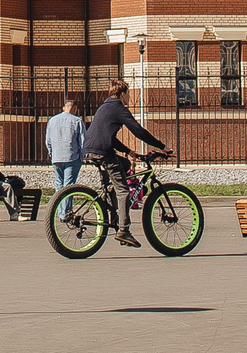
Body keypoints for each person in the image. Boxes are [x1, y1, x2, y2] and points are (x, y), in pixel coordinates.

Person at [82, 79, 169, 248]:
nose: (129, 98)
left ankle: (113, 211)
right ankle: (124, 230)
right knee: (123, 191)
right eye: (128, 94)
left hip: (90, 149)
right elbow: (138, 131)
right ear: (123, 94)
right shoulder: (119, 108)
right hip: (104, 152)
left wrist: (128, 152)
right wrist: (162, 146)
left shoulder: (104, 107)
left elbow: (108, 137)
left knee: (125, 166)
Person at [44, 95, 86, 193]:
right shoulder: (77, 121)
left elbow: (48, 141)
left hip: (56, 157)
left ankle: (58, 208)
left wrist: (52, 154)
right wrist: (81, 157)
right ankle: (65, 209)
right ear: (75, 109)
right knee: (69, 187)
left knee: (59, 185)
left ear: (64, 108)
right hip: (71, 157)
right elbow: (83, 142)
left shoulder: (52, 120)